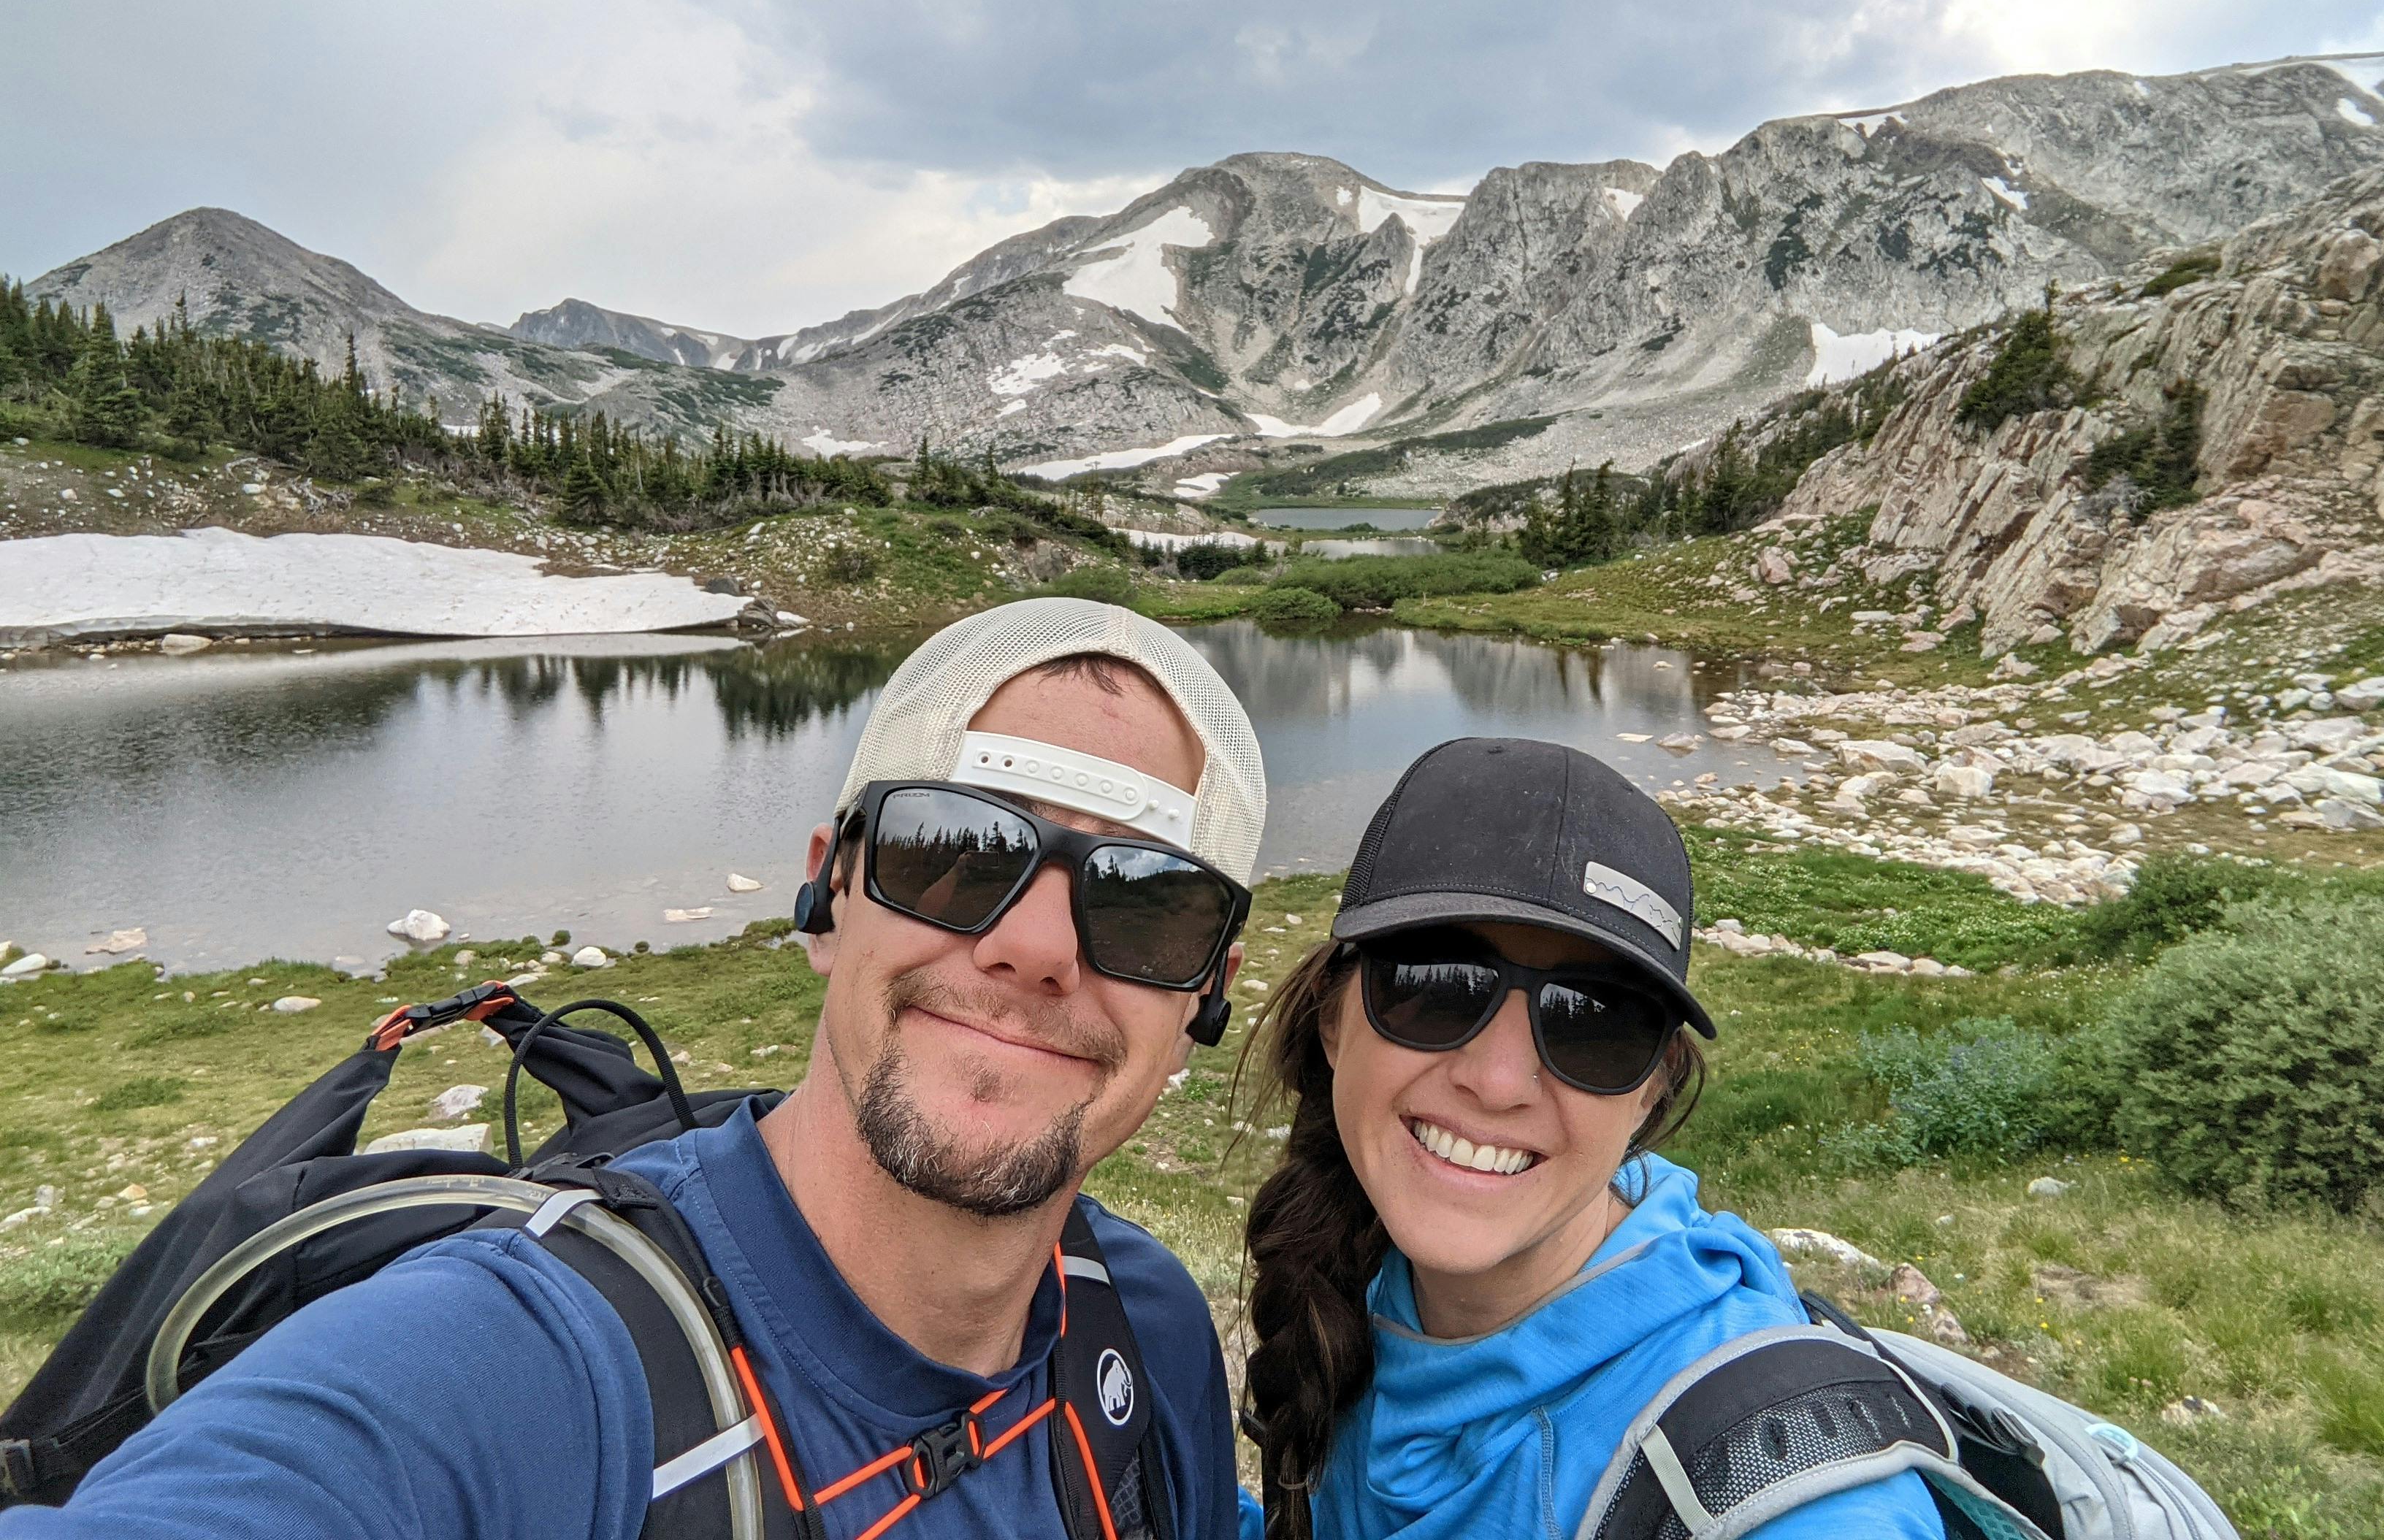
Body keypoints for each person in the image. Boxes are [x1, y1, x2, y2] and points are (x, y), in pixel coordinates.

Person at [4, 597, 1266, 1540]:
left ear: (1204, 990)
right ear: (827, 890)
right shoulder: (523, 1364)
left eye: (1148, 903)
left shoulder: (1139, 1323)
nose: (1033, 946)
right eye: (954, 853)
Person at [1239, 738, 1944, 1540]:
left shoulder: (1791, 1499)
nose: (1498, 1082)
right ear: (1334, 1019)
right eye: (1437, 985)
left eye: (1593, 1022)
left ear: (1651, 1089)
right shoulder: (1347, 1279)